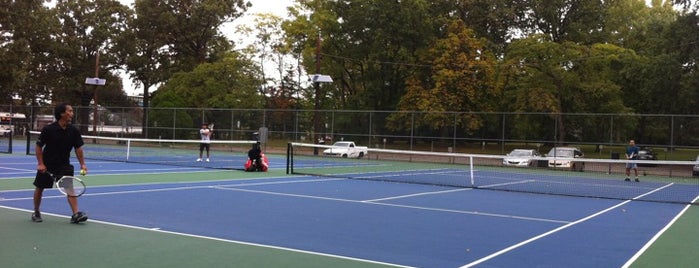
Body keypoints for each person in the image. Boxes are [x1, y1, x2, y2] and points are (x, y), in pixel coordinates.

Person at [32, 103, 88, 223]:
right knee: (40, 188)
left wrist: (82, 164)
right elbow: (38, 146)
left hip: (64, 165)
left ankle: (76, 214)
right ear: (62, 113)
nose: (72, 113)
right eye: (70, 111)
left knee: (69, 188)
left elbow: (78, 148)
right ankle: (36, 212)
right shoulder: (48, 129)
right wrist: (41, 163)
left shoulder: (74, 131)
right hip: (47, 165)